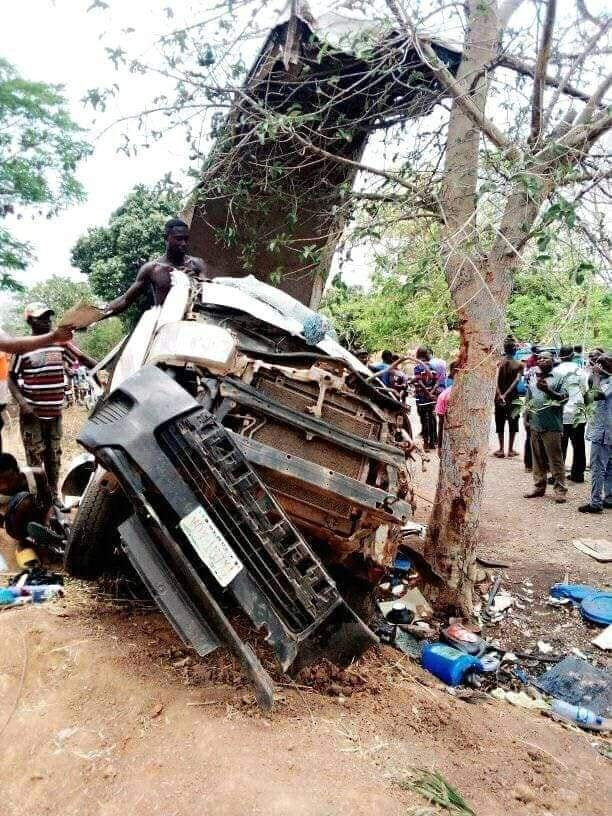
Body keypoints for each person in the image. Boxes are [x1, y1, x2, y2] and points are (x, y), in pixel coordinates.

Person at [9, 304, 95, 503]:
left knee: (54, 455)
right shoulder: (22, 347)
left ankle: (54, 495)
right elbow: (11, 378)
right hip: (32, 414)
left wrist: (102, 365)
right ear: (30, 321)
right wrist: (23, 403)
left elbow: (81, 358)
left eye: (49, 317)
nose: (48, 321)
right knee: (35, 455)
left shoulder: (60, 344)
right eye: (42, 318)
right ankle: (41, 496)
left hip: (55, 413)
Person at [103, 218, 209, 318]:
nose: (184, 243)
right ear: (166, 238)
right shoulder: (152, 269)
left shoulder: (197, 264)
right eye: (179, 239)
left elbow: (208, 294)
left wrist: (193, 281)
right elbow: (126, 299)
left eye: (186, 239)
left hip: (193, 323)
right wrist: (100, 314)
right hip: (164, 325)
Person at [523, 351, 568, 502]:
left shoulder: (559, 378)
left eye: (545, 358)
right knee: (537, 458)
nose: (541, 360)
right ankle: (539, 486)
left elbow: (564, 398)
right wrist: (526, 418)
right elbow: (528, 399)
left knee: (555, 459)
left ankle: (560, 489)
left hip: (552, 425)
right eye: (540, 358)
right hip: (535, 424)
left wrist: (548, 390)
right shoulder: (534, 376)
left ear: (553, 360)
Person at [0, 452, 54, 567]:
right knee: (24, 500)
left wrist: (47, 521)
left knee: (55, 521)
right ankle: (24, 542)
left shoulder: (36, 476)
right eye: (0, 482)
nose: (4, 486)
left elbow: (49, 502)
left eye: (8, 480)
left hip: (37, 513)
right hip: (13, 524)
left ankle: (44, 539)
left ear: (17, 472)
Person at [579, 353, 612, 514]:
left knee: (598, 468)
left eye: (601, 364)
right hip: (606, 431)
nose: (596, 366)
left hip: (604, 432)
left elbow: (596, 395)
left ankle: (596, 502)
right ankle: (609, 497)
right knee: (610, 467)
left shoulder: (608, 382)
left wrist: (596, 376)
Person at [553, 345, 588, 482]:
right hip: (577, 413)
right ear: (573, 356)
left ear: (560, 356)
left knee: (560, 446)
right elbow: (585, 390)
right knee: (578, 445)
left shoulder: (555, 371)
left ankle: (558, 476)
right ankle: (578, 474)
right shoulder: (580, 371)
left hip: (560, 413)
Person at [494, 339, 524, 458]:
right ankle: (510, 449)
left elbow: (494, 380)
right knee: (513, 423)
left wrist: (500, 394)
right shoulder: (519, 365)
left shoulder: (498, 363)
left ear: (504, 350)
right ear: (515, 350)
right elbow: (516, 381)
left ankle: (501, 449)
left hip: (499, 398)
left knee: (500, 422)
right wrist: (506, 395)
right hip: (513, 398)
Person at [413, 347, 440, 450]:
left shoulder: (418, 367)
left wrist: (427, 393)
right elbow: (437, 382)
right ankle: (433, 442)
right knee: (432, 419)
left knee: (424, 420)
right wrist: (432, 393)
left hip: (422, 398)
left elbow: (419, 382)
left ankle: (426, 444)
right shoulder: (432, 366)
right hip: (431, 398)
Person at [435, 360, 458, 452]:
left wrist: (440, 446)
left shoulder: (443, 395)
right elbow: (441, 423)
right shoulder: (445, 395)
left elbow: (440, 424)